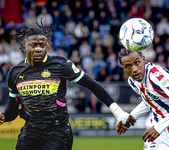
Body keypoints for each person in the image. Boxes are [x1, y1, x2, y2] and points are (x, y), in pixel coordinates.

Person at [0, 20, 129, 150]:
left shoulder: (60, 64)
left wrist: (118, 112)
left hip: (57, 132)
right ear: (24, 47)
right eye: (33, 45)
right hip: (30, 132)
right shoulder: (14, 73)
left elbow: (92, 84)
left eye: (42, 45)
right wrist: (4, 116)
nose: (38, 49)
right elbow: (13, 107)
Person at [116, 48, 169, 150]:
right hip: (164, 132)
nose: (134, 69)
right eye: (128, 66)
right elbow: (151, 100)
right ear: (123, 68)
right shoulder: (133, 81)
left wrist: (158, 128)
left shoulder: (156, 76)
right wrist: (132, 117)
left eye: (137, 63)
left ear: (143, 59)